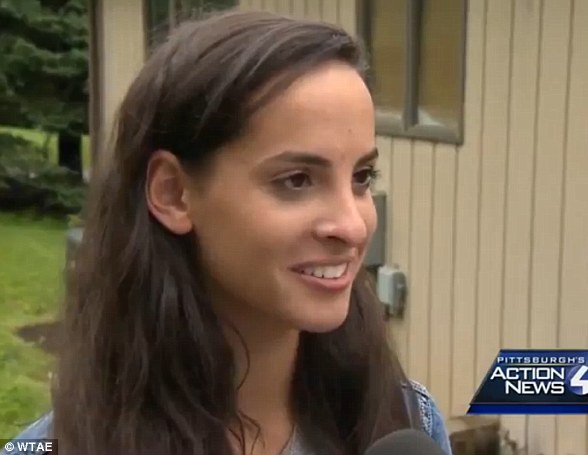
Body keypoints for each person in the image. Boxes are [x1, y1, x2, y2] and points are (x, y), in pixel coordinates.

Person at [2, 9, 452, 455]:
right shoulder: (62, 447)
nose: (352, 226)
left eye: (362, 178)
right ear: (174, 192)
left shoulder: (407, 422)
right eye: (296, 180)